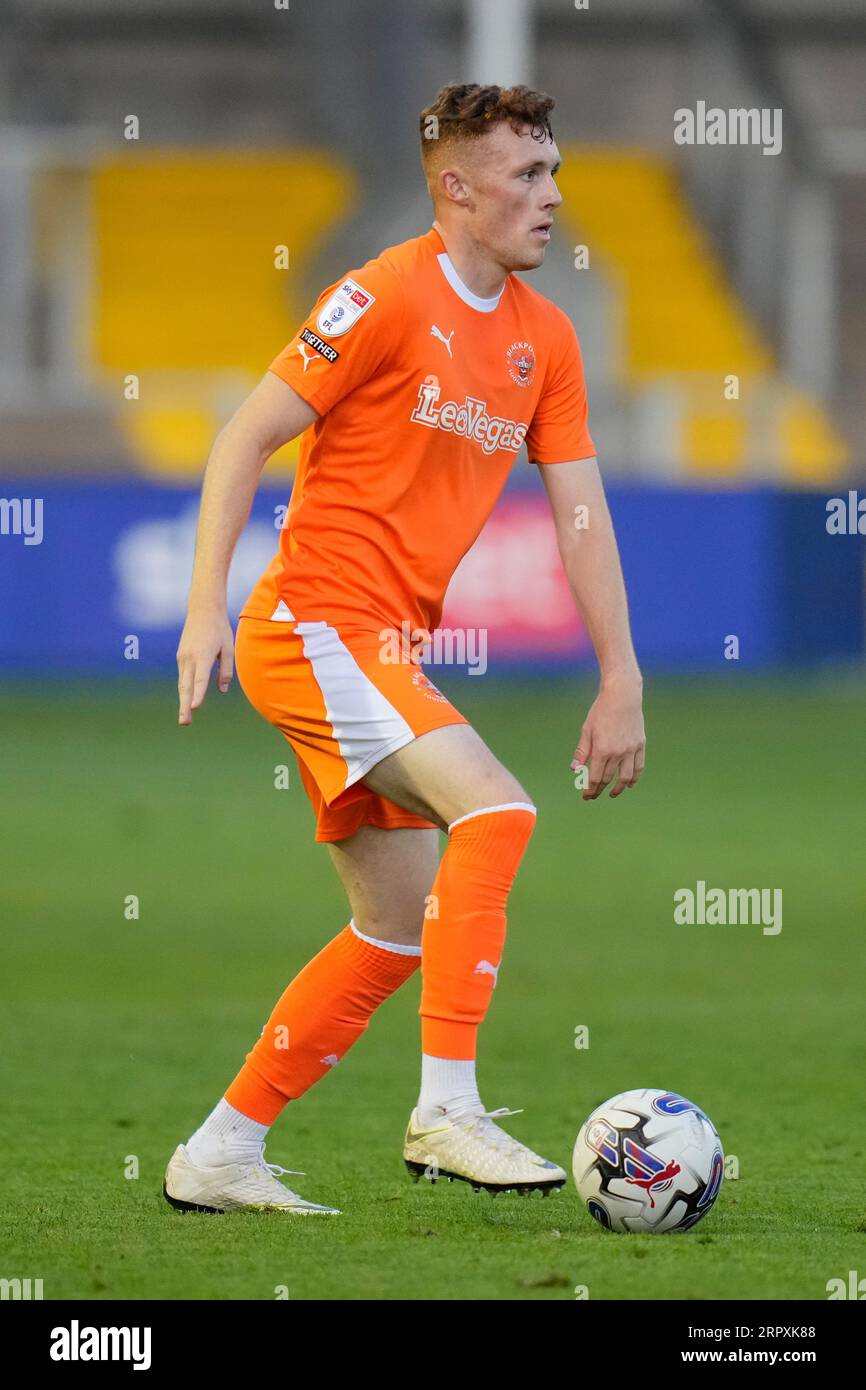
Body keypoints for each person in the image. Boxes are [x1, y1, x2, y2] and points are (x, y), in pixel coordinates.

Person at [165, 83, 645, 1215]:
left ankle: (219, 1151)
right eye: (526, 175)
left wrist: (619, 674)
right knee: (496, 809)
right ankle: (446, 1112)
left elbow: (581, 514)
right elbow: (242, 436)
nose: (552, 195)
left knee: (389, 928)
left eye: (554, 170)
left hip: (381, 641)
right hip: (311, 622)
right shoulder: (379, 295)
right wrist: (202, 610)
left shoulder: (546, 340)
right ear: (454, 189)